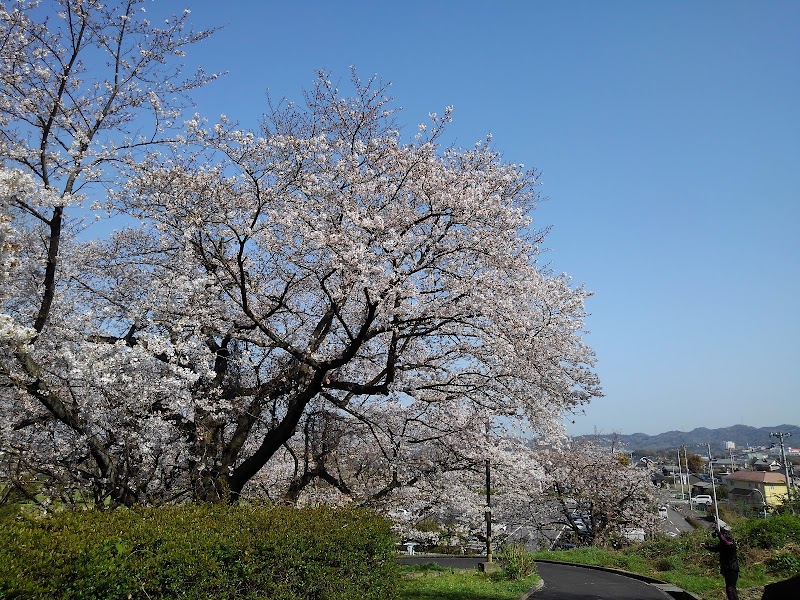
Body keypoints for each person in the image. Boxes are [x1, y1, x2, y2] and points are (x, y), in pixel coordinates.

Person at [706, 527, 739, 600]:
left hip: (732, 569)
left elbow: (726, 542)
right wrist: (705, 546)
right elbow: (714, 549)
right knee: (729, 589)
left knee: (731, 589)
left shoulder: (731, 544)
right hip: (727, 569)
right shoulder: (723, 545)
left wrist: (719, 533)